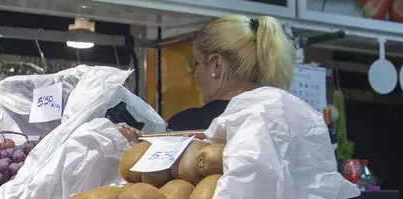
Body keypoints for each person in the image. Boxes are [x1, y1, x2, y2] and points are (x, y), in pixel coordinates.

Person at [119, 15, 295, 140]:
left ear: (216, 65)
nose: (195, 74)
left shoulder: (187, 124)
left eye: (197, 64)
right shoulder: (292, 120)